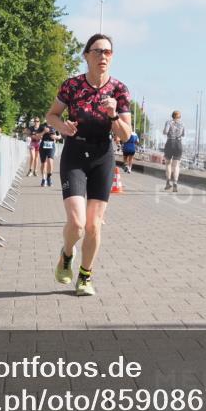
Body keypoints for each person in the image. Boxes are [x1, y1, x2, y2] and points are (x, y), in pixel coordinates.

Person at [45, 34, 131, 296]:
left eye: (108, 52)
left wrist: (113, 114)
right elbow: (51, 115)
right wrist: (63, 126)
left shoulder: (119, 90)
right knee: (77, 223)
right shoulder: (71, 86)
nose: (103, 56)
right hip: (75, 151)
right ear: (86, 56)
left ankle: (85, 276)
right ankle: (67, 253)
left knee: (94, 225)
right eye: (97, 51)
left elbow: (126, 134)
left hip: (102, 154)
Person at [162, 110, 185, 192]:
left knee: (168, 164)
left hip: (170, 143)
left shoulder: (168, 122)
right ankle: (175, 182)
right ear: (179, 117)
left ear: (172, 116)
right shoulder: (182, 124)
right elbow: (183, 134)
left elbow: (165, 132)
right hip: (178, 144)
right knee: (176, 165)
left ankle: (168, 183)